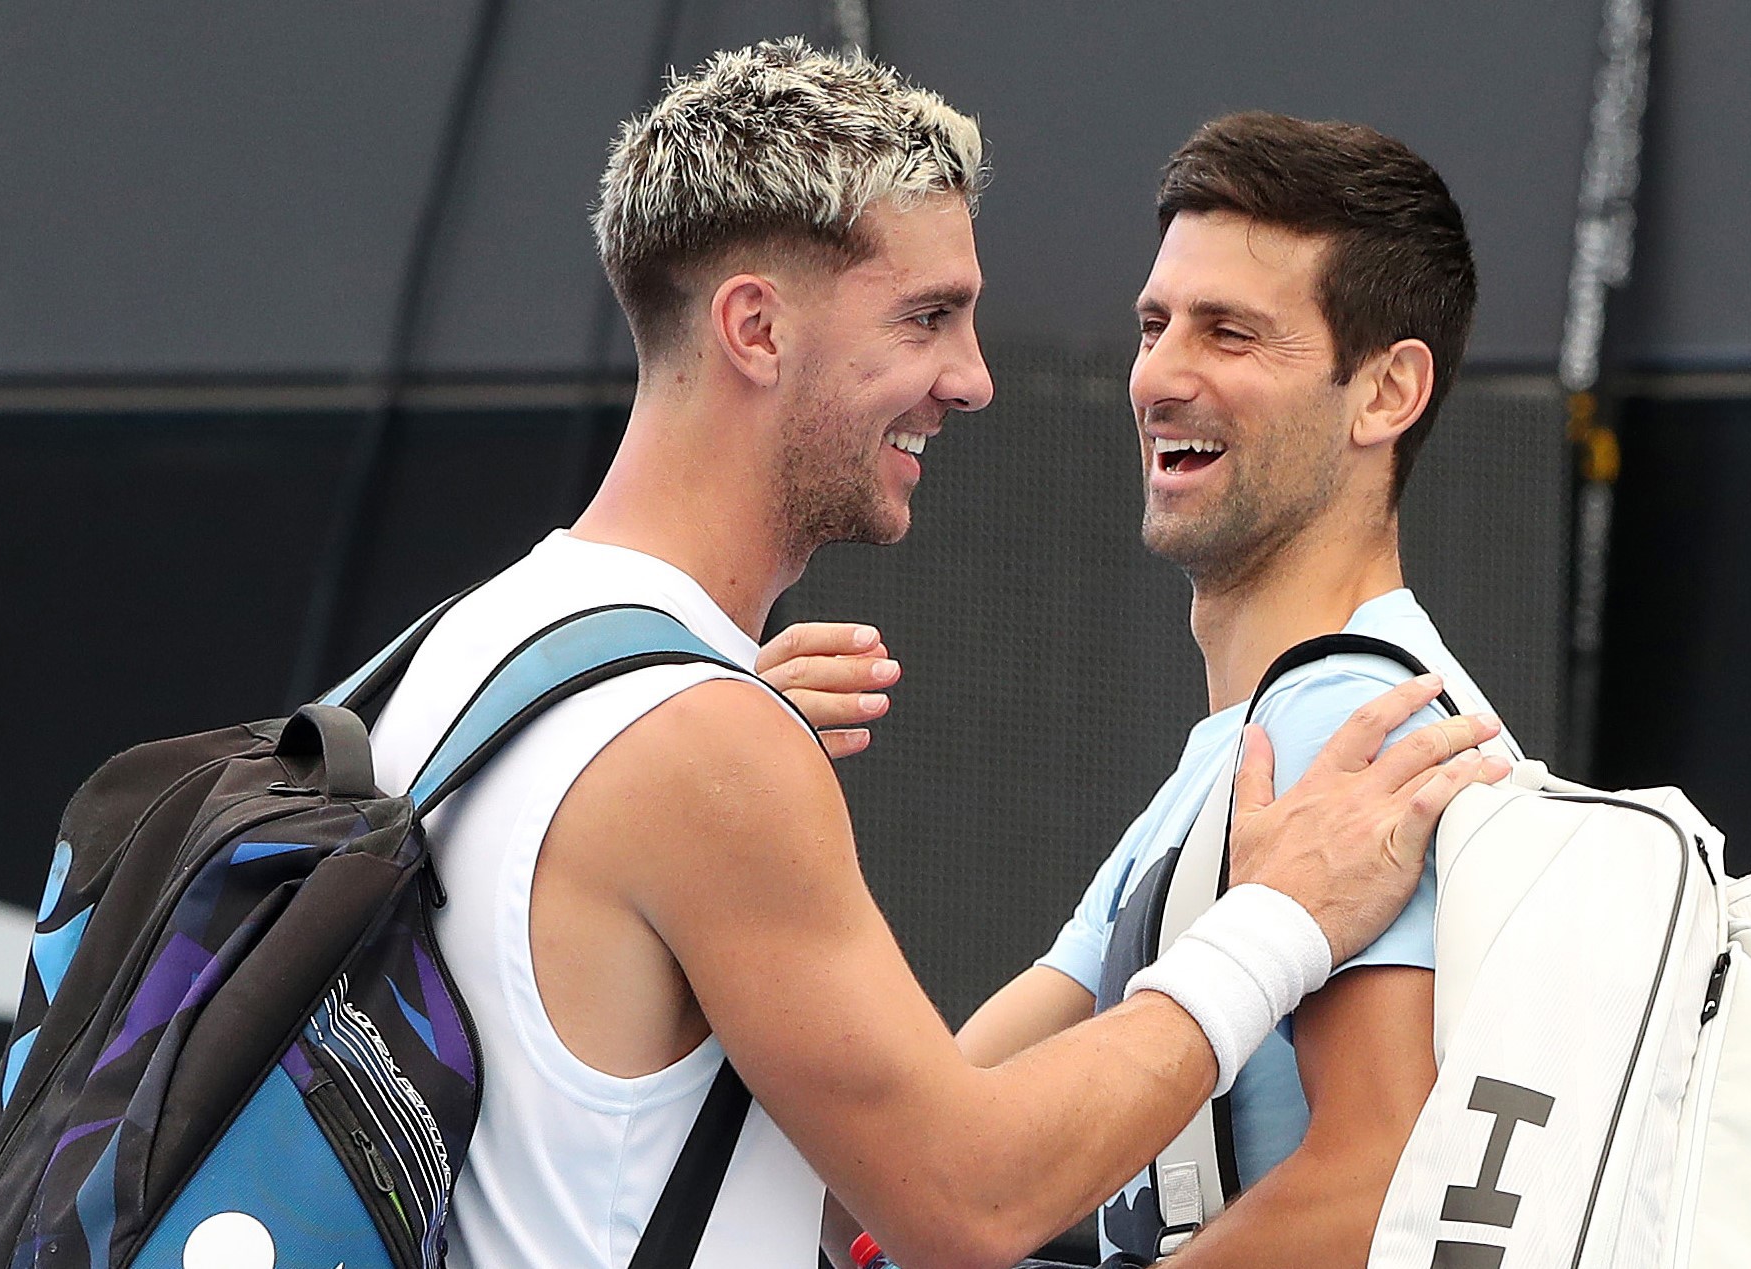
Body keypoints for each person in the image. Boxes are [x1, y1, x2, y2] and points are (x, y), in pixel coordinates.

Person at [363, 43, 1506, 1269]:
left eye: (1228, 332)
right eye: (925, 318)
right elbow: (958, 1194)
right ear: (754, 326)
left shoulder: (463, 655)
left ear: (1385, 393)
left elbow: (917, 1155)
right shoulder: (689, 734)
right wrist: (1280, 918)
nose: (973, 379)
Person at [951, 113, 1507, 1266]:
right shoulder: (1238, 747)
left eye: (1231, 334)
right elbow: (943, 1147)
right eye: (1153, 325)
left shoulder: (1343, 722)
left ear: (1386, 391)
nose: (1159, 374)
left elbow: (1377, 1186)